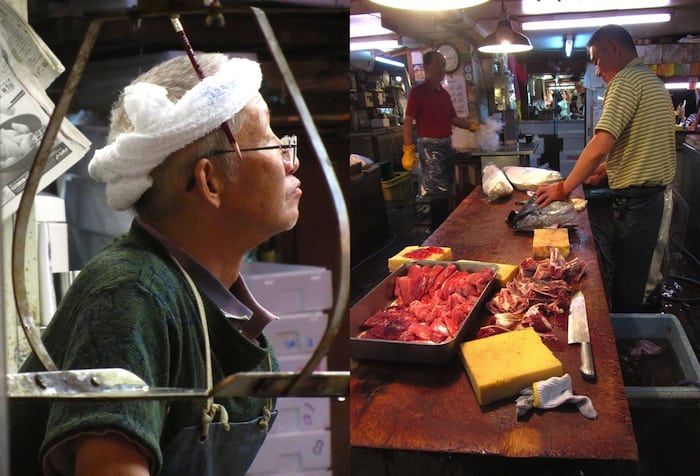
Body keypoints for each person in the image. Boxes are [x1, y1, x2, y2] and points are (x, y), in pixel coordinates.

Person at [10, 52, 302, 475]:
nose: (289, 159)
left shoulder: (212, 302)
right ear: (210, 181)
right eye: (272, 142)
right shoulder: (132, 295)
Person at [535, 24, 676, 313]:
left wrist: (564, 188)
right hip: (646, 201)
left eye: (597, 59)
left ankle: (635, 350)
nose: (597, 70)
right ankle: (633, 344)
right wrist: (608, 169)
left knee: (634, 289)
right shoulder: (650, 81)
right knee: (636, 280)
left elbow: (600, 142)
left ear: (614, 48)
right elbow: (643, 141)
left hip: (643, 205)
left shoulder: (625, 81)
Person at [401, 50, 471, 225]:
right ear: (426, 67)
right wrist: (408, 149)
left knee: (448, 192)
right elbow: (408, 121)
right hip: (429, 148)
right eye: (438, 64)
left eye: (443, 64)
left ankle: (446, 231)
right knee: (436, 196)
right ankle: (436, 237)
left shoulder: (445, 94)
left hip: (446, 146)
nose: (442, 68)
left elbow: (453, 118)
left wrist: (473, 126)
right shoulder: (418, 92)